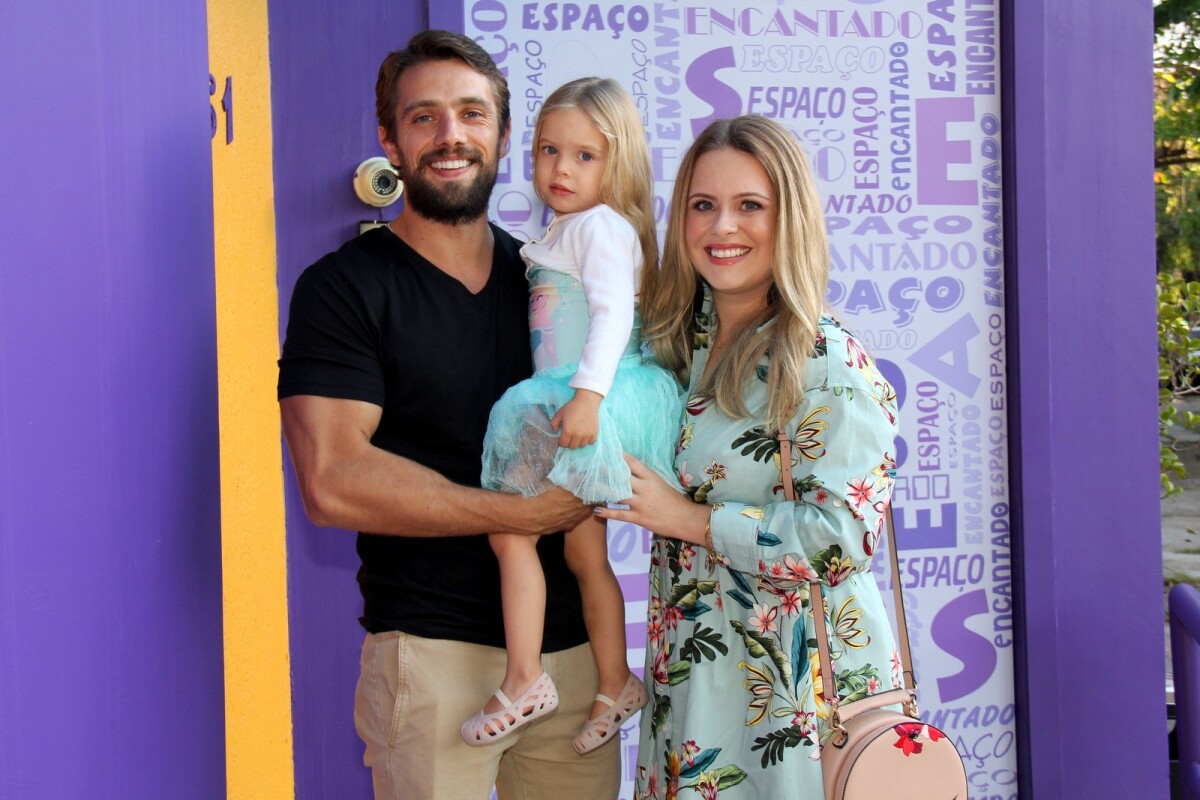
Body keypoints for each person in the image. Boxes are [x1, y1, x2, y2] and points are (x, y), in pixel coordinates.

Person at [277, 31, 621, 800]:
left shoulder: (549, 281)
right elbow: (333, 480)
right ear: (389, 141)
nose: (450, 136)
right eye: (424, 117)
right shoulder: (344, 289)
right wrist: (518, 512)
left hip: (572, 665)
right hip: (432, 659)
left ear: (503, 134)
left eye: (472, 114)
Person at [595, 115, 901, 798]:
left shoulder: (823, 360)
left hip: (797, 701)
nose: (721, 227)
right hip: (695, 684)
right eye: (703, 205)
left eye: (749, 206)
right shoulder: (676, 349)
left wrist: (692, 520)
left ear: (789, 217)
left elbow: (840, 539)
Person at [463, 77, 681, 755]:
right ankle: (616, 680)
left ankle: (526, 677)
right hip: (576, 393)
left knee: (509, 533)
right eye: (547, 150)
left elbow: (614, 314)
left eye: (584, 156)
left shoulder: (599, 227)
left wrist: (587, 395)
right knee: (583, 549)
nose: (560, 169)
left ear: (618, 164)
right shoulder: (573, 227)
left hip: (581, 396)